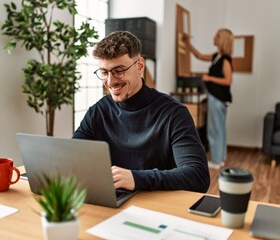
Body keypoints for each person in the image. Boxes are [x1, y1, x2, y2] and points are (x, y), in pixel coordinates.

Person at [73, 31, 210, 193]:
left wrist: (136, 178)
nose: (110, 81)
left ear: (140, 66)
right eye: (104, 72)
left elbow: (198, 176)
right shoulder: (98, 111)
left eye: (119, 70)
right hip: (111, 201)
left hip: (155, 207)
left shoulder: (174, 113)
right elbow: (73, 157)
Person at [183, 29, 234, 169]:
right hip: (219, 99)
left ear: (222, 40)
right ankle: (221, 159)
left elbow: (228, 80)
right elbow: (198, 55)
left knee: (214, 130)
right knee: (220, 129)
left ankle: (216, 162)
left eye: (217, 35)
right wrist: (187, 43)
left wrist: (209, 77)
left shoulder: (225, 59)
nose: (214, 37)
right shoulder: (217, 56)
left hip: (217, 99)